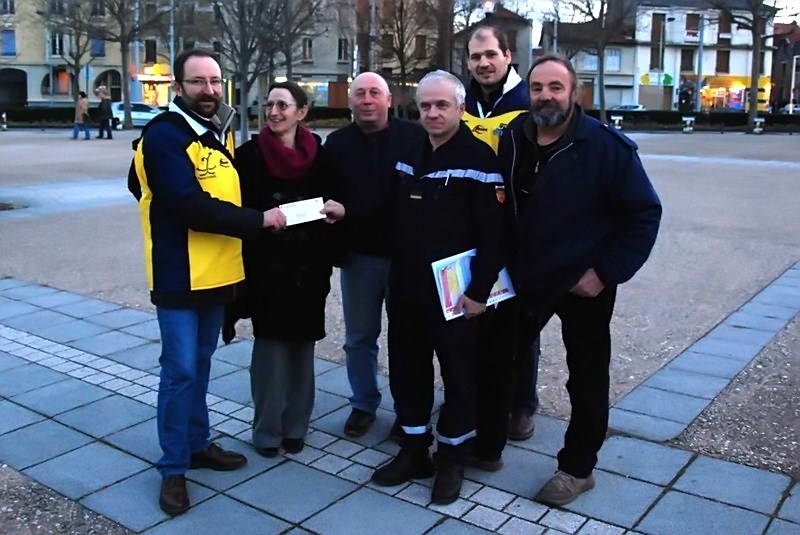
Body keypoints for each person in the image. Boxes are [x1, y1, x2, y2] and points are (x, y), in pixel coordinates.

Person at [497, 54, 662, 506]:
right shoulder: (513, 138)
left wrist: (605, 273)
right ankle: (494, 433)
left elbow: (644, 214)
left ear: (574, 93)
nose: (545, 96)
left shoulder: (606, 147)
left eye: (556, 87)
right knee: (501, 355)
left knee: (586, 378)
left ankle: (577, 468)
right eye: (537, 88)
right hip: (525, 278)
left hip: (582, 282)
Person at [129, 49, 280, 517]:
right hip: (180, 276)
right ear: (178, 87)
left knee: (200, 364)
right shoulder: (164, 136)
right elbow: (187, 204)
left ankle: (198, 444)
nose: (209, 90)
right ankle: (173, 467)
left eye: (215, 81)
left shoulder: (216, 131)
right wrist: (260, 220)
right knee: (180, 372)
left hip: (218, 274)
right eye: (198, 82)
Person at [371, 70, 505, 505]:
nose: (432, 113)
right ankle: (414, 449)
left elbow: (495, 234)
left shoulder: (480, 160)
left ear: (460, 109)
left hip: (455, 297)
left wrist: (480, 291)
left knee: (460, 376)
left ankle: (452, 456)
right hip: (407, 289)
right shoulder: (409, 152)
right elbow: (387, 212)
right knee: (407, 371)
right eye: (425, 105)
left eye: (441, 105)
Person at [231, 82, 345, 458]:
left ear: (302, 112)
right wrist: (260, 220)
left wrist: (336, 212)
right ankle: (266, 429)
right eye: (269, 105)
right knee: (270, 351)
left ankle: (297, 426)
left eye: (283, 105)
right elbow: (237, 210)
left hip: (309, 269)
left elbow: (336, 200)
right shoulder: (248, 156)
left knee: (302, 348)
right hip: (267, 268)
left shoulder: (320, 156)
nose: (274, 111)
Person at [325, 73, 427, 438]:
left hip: (406, 257)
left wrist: (351, 212)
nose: (366, 100)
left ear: (388, 99)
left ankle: (408, 411)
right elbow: (326, 195)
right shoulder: (337, 144)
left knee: (408, 339)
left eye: (374, 93)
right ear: (350, 101)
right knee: (359, 338)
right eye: (359, 94)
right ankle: (363, 403)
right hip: (360, 257)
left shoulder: (415, 137)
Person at [462, 26, 540, 472]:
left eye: (491, 54)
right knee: (475, 318)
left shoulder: (528, 101)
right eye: (476, 57)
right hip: (472, 226)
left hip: (518, 228)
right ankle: (479, 397)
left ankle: (522, 403)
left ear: (508, 55)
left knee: (521, 323)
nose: (483, 63)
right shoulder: (463, 102)